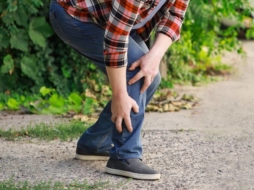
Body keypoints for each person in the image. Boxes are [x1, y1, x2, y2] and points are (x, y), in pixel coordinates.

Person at [49, 0, 190, 180]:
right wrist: (119, 95)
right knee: (135, 71)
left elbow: (175, 15)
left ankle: (95, 144)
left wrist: (154, 57)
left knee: (149, 77)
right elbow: (116, 39)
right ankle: (124, 155)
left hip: (116, 19)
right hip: (75, 15)